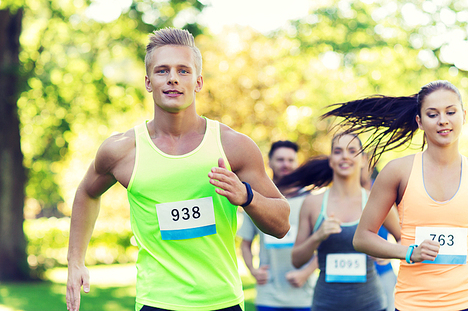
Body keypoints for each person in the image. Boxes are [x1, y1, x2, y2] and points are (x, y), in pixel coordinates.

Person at [66, 27, 290, 311]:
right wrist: (75, 261)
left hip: (223, 302)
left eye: (183, 70)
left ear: (198, 82)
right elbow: (87, 192)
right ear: (148, 82)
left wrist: (246, 196)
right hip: (155, 302)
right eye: (163, 71)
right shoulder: (122, 151)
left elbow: (282, 223)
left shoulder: (233, 146)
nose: (173, 77)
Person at [324, 80, 468, 310]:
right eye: (432, 114)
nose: (443, 120)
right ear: (419, 121)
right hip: (413, 304)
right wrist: (408, 252)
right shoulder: (398, 171)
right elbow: (362, 237)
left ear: (463, 115)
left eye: (451, 112)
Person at [279, 133, 400, 311]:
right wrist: (317, 236)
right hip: (325, 305)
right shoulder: (313, 203)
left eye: (352, 151)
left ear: (363, 160)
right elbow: (296, 260)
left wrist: (388, 253)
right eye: (338, 151)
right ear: (331, 160)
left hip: (371, 305)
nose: (345, 156)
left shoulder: (376, 201)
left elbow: (405, 241)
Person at [238, 140, 316, 311]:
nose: (285, 164)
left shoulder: (310, 199)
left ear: (297, 163)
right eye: (280, 160)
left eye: (290, 160)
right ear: (269, 162)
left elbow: (325, 243)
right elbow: (245, 243)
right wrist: (253, 270)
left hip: (303, 297)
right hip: (269, 297)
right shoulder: (256, 200)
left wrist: (306, 273)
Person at [361, 165, 397, 311]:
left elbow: (402, 231)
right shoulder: (338, 195)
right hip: (348, 279)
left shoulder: (383, 187)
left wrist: (390, 252)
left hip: (382, 270)